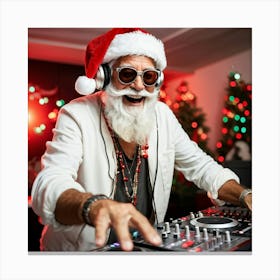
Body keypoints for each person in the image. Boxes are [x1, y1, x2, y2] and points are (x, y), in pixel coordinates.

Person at [31, 28, 252, 252]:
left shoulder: (162, 115)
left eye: (148, 77)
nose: (138, 86)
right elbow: (50, 182)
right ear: (104, 77)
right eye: (127, 74)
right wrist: (93, 206)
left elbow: (203, 168)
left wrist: (245, 195)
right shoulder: (76, 115)